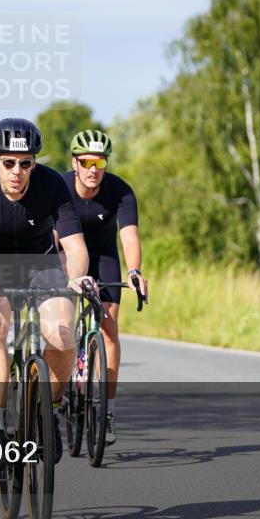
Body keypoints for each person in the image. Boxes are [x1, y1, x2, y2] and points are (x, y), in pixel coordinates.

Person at [0, 118, 92, 470]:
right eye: (9, 163)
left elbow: (75, 247)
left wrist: (75, 278)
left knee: (62, 334)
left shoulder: (52, 186)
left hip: (40, 264)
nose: (17, 171)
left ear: (34, 163)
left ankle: (51, 409)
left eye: (26, 163)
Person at [60, 129, 149, 445]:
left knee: (109, 328)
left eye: (100, 162)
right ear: (75, 163)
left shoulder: (120, 191)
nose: (94, 169)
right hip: (67, 253)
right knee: (60, 320)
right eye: (87, 162)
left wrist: (135, 271)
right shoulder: (59, 188)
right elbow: (49, 234)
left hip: (104, 255)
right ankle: (64, 379)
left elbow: (129, 236)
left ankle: (108, 409)